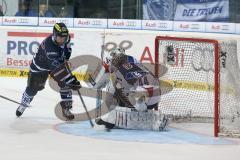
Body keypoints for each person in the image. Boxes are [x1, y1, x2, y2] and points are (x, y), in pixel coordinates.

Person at [90, 47, 168, 131]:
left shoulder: (116, 70)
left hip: (140, 99)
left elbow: (94, 85)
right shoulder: (133, 61)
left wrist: (103, 69)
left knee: (113, 85)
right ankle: (153, 115)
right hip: (155, 96)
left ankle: (115, 116)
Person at [16, 22, 81, 120]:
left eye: (64, 37)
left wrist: (66, 62)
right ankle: (23, 104)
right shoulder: (49, 47)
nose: (62, 39)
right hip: (40, 67)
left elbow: (66, 53)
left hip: (55, 64)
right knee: (33, 88)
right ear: (54, 35)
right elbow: (57, 68)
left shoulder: (65, 41)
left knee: (65, 83)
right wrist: (71, 80)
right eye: (60, 37)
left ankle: (66, 109)